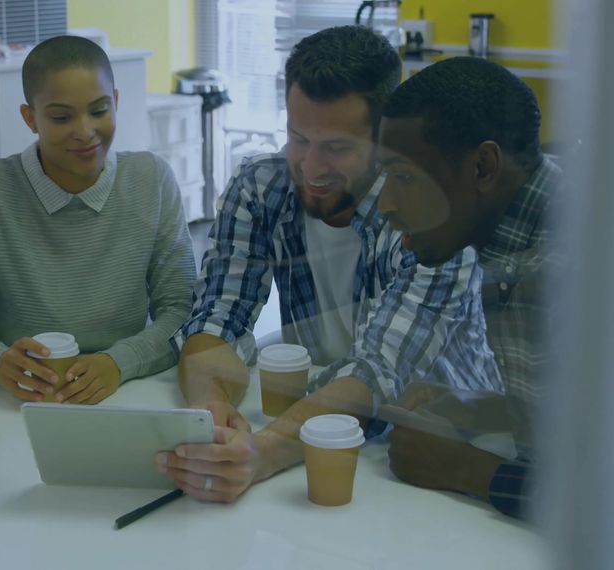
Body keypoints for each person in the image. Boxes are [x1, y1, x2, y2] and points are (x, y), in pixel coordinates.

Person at [157, 26, 500, 502]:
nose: (311, 167)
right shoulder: (261, 188)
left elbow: (377, 372)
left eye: (337, 147)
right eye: (298, 138)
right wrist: (210, 413)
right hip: (319, 432)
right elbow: (217, 317)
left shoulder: (436, 217)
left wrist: (265, 451)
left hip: (445, 455)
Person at [0, 35, 196, 404]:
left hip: (126, 387)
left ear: (115, 102)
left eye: (98, 110)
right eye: (62, 117)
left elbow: (182, 311)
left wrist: (119, 362)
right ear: (30, 118)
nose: (84, 131)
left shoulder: (151, 179)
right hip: (16, 397)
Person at [376, 56, 560, 519]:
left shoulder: (580, 267)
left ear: (482, 167)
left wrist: (466, 469)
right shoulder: (509, 234)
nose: (385, 204)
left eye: (405, 177)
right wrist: (475, 408)